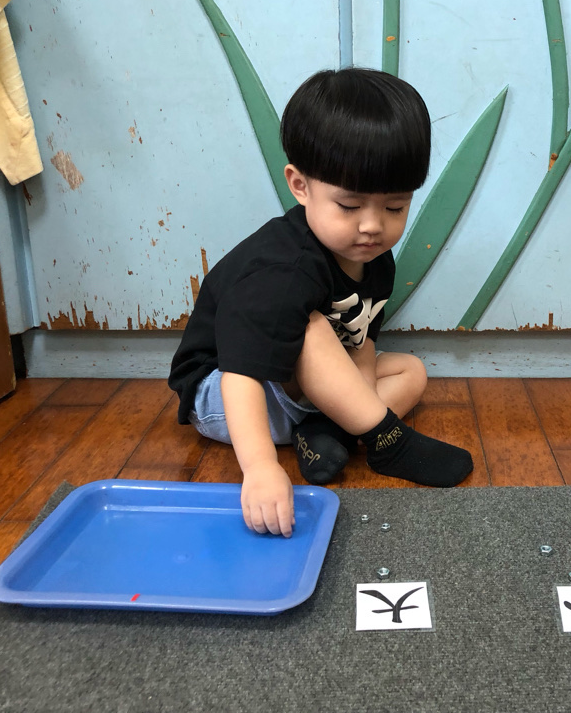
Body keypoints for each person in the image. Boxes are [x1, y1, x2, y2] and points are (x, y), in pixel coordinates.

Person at [169, 68, 473, 538]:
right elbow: (240, 374)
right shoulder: (284, 269)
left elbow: (360, 341)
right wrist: (260, 468)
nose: (372, 226)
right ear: (300, 185)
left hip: (299, 389)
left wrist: (359, 403)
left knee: (411, 371)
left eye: (395, 207)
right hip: (229, 392)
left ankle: (328, 432)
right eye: (349, 207)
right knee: (312, 329)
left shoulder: (374, 257)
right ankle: (386, 442)